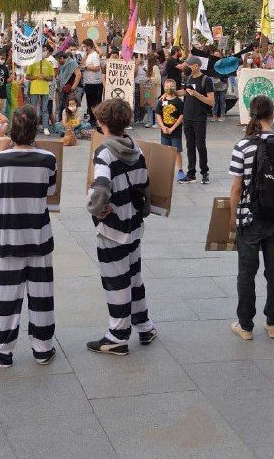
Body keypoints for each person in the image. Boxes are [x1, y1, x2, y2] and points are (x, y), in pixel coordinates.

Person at [0, 106, 58, 367]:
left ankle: (3, 350)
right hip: (39, 236)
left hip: (8, 238)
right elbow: (50, 190)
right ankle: (43, 349)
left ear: (11, 130)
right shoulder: (48, 158)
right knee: (41, 295)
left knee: (6, 296)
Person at [228, 95, 274, 341]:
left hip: (249, 218)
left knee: (246, 273)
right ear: (273, 114)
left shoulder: (243, 146)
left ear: (252, 115)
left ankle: (246, 325)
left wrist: (233, 218)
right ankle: (273, 324)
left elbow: (236, 189)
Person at [85, 98, 157, 355]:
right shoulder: (135, 147)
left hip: (114, 228)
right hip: (135, 224)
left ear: (102, 123)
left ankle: (117, 335)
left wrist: (95, 209)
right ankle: (144, 326)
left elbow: (101, 186)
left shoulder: (105, 152)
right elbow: (145, 183)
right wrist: (145, 209)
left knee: (116, 281)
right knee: (134, 277)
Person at [180, 56, 214, 184]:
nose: (186, 67)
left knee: (200, 146)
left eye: (188, 65)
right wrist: (169, 92)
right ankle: (191, 173)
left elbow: (211, 101)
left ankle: (204, 172)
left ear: (196, 66)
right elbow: (184, 92)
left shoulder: (206, 80)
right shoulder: (188, 78)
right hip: (187, 117)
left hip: (199, 118)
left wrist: (197, 94)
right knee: (190, 146)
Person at [155, 79, 185, 182]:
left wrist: (173, 128)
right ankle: (166, 171)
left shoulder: (178, 101)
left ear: (175, 87)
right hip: (164, 131)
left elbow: (181, 116)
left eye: (171, 86)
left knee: (176, 151)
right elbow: (158, 114)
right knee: (166, 151)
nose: (169, 88)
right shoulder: (161, 100)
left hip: (175, 131)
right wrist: (163, 127)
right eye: (167, 86)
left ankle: (180, 170)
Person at [27, 44, 56, 135]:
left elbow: (51, 78)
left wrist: (45, 77)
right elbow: (27, 76)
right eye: (43, 50)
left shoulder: (48, 64)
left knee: (45, 109)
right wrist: (36, 77)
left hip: (45, 89)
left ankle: (45, 127)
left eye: (45, 50)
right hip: (34, 89)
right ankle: (32, 127)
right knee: (33, 109)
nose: (44, 52)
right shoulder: (32, 63)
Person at [80, 40, 103, 126]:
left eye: (84, 46)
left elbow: (97, 68)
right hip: (88, 82)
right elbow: (83, 63)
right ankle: (92, 119)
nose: (83, 48)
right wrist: (85, 55)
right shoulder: (88, 55)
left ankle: (98, 121)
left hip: (95, 83)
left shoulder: (95, 55)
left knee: (95, 103)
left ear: (88, 47)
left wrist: (86, 67)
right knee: (89, 102)